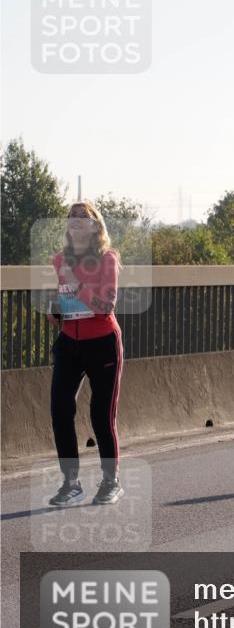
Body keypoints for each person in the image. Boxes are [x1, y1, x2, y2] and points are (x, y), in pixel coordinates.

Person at [46, 201, 125, 507]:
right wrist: (55, 310)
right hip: (69, 343)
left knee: (101, 415)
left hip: (102, 342)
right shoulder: (60, 260)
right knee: (60, 410)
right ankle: (71, 484)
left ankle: (110, 481)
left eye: (84, 216)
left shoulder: (107, 258)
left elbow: (105, 307)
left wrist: (75, 283)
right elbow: (65, 302)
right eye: (72, 216)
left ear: (95, 226)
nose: (76, 219)